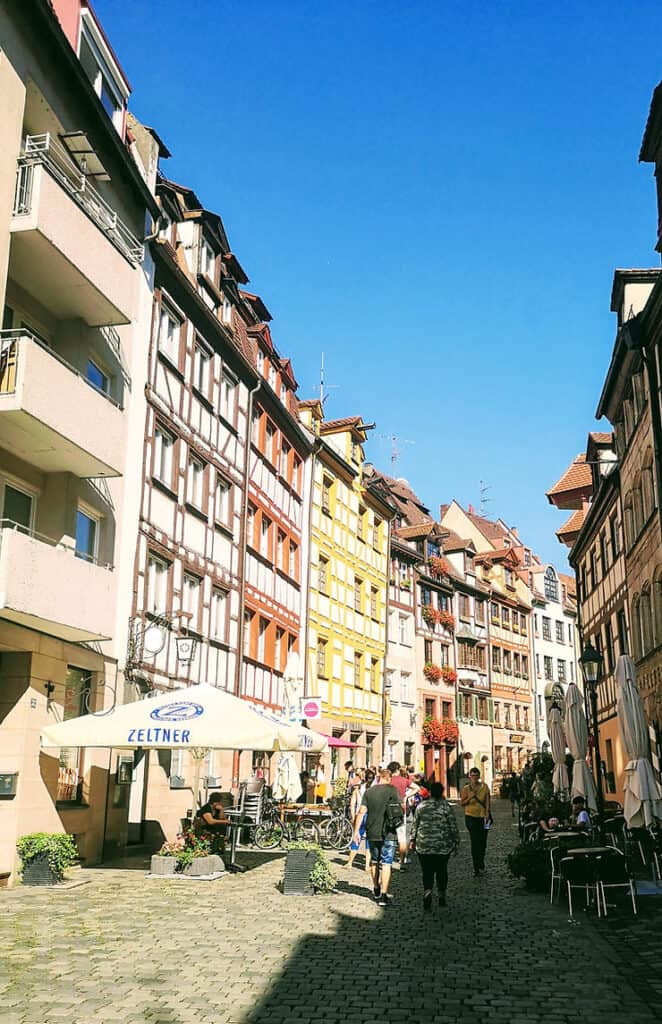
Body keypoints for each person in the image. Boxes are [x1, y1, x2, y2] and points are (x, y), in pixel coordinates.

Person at [353, 767, 402, 906]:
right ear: (389, 778)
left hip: (372, 831)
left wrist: (356, 831)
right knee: (386, 863)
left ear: (379, 777)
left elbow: (361, 812)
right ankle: (384, 895)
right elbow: (399, 807)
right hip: (389, 831)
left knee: (374, 861)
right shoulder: (392, 790)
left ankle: (376, 888)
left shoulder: (369, 792)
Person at [410, 781, 459, 910]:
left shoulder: (421, 806)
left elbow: (415, 824)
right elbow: (453, 826)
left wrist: (413, 840)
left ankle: (427, 892)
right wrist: (456, 841)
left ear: (430, 792)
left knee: (427, 871)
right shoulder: (446, 807)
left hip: (424, 845)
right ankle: (441, 894)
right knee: (442, 870)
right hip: (442, 846)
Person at [460, 767, 491, 876]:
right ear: (469, 776)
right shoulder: (466, 789)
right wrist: (470, 798)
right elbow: (462, 803)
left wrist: (487, 813)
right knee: (475, 841)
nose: (474, 778)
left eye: (476, 775)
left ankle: (481, 862)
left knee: (483, 842)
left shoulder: (484, 787)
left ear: (479, 776)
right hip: (470, 816)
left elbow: (487, 800)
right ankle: (476, 867)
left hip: (483, 817)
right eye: (472, 775)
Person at [387, 761, 412, 871]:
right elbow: (417, 788)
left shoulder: (388, 780)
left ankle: (387, 862)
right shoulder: (404, 780)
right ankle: (402, 863)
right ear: (398, 770)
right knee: (402, 839)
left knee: (388, 837)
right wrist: (406, 796)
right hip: (401, 811)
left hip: (388, 811)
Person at [347, 769, 374, 870]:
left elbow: (352, 804)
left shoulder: (357, 790)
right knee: (369, 841)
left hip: (360, 816)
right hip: (370, 816)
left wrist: (353, 817)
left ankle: (350, 862)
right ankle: (367, 865)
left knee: (356, 838)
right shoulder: (373, 790)